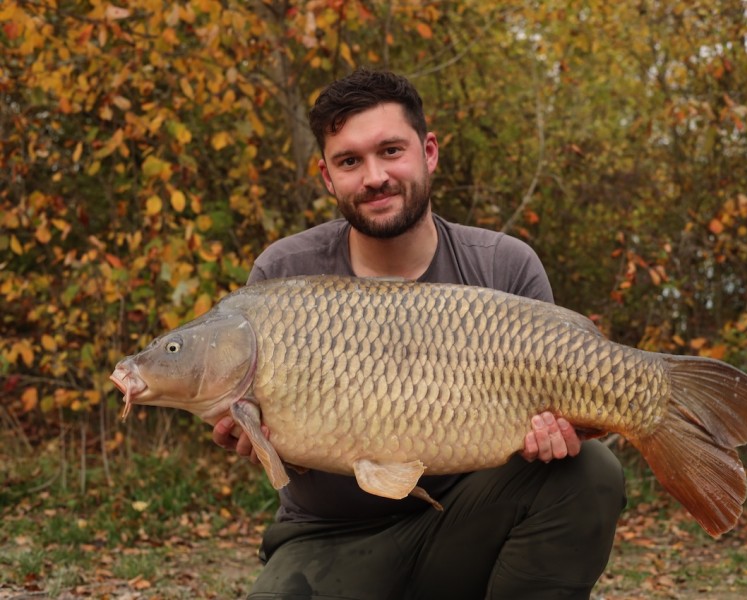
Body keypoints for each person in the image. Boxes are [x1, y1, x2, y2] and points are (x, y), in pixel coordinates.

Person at [212, 69, 626, 599]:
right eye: (349, 161)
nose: (374, 176)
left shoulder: (505, 267)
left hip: (470, 526)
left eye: (390, 151)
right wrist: (256, 439)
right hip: (329, 540)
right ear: (327, 178)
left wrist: (554, 439)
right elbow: (281, 436)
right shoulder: (282, 276)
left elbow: (552, 434)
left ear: (428, 151)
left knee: (589, 470)